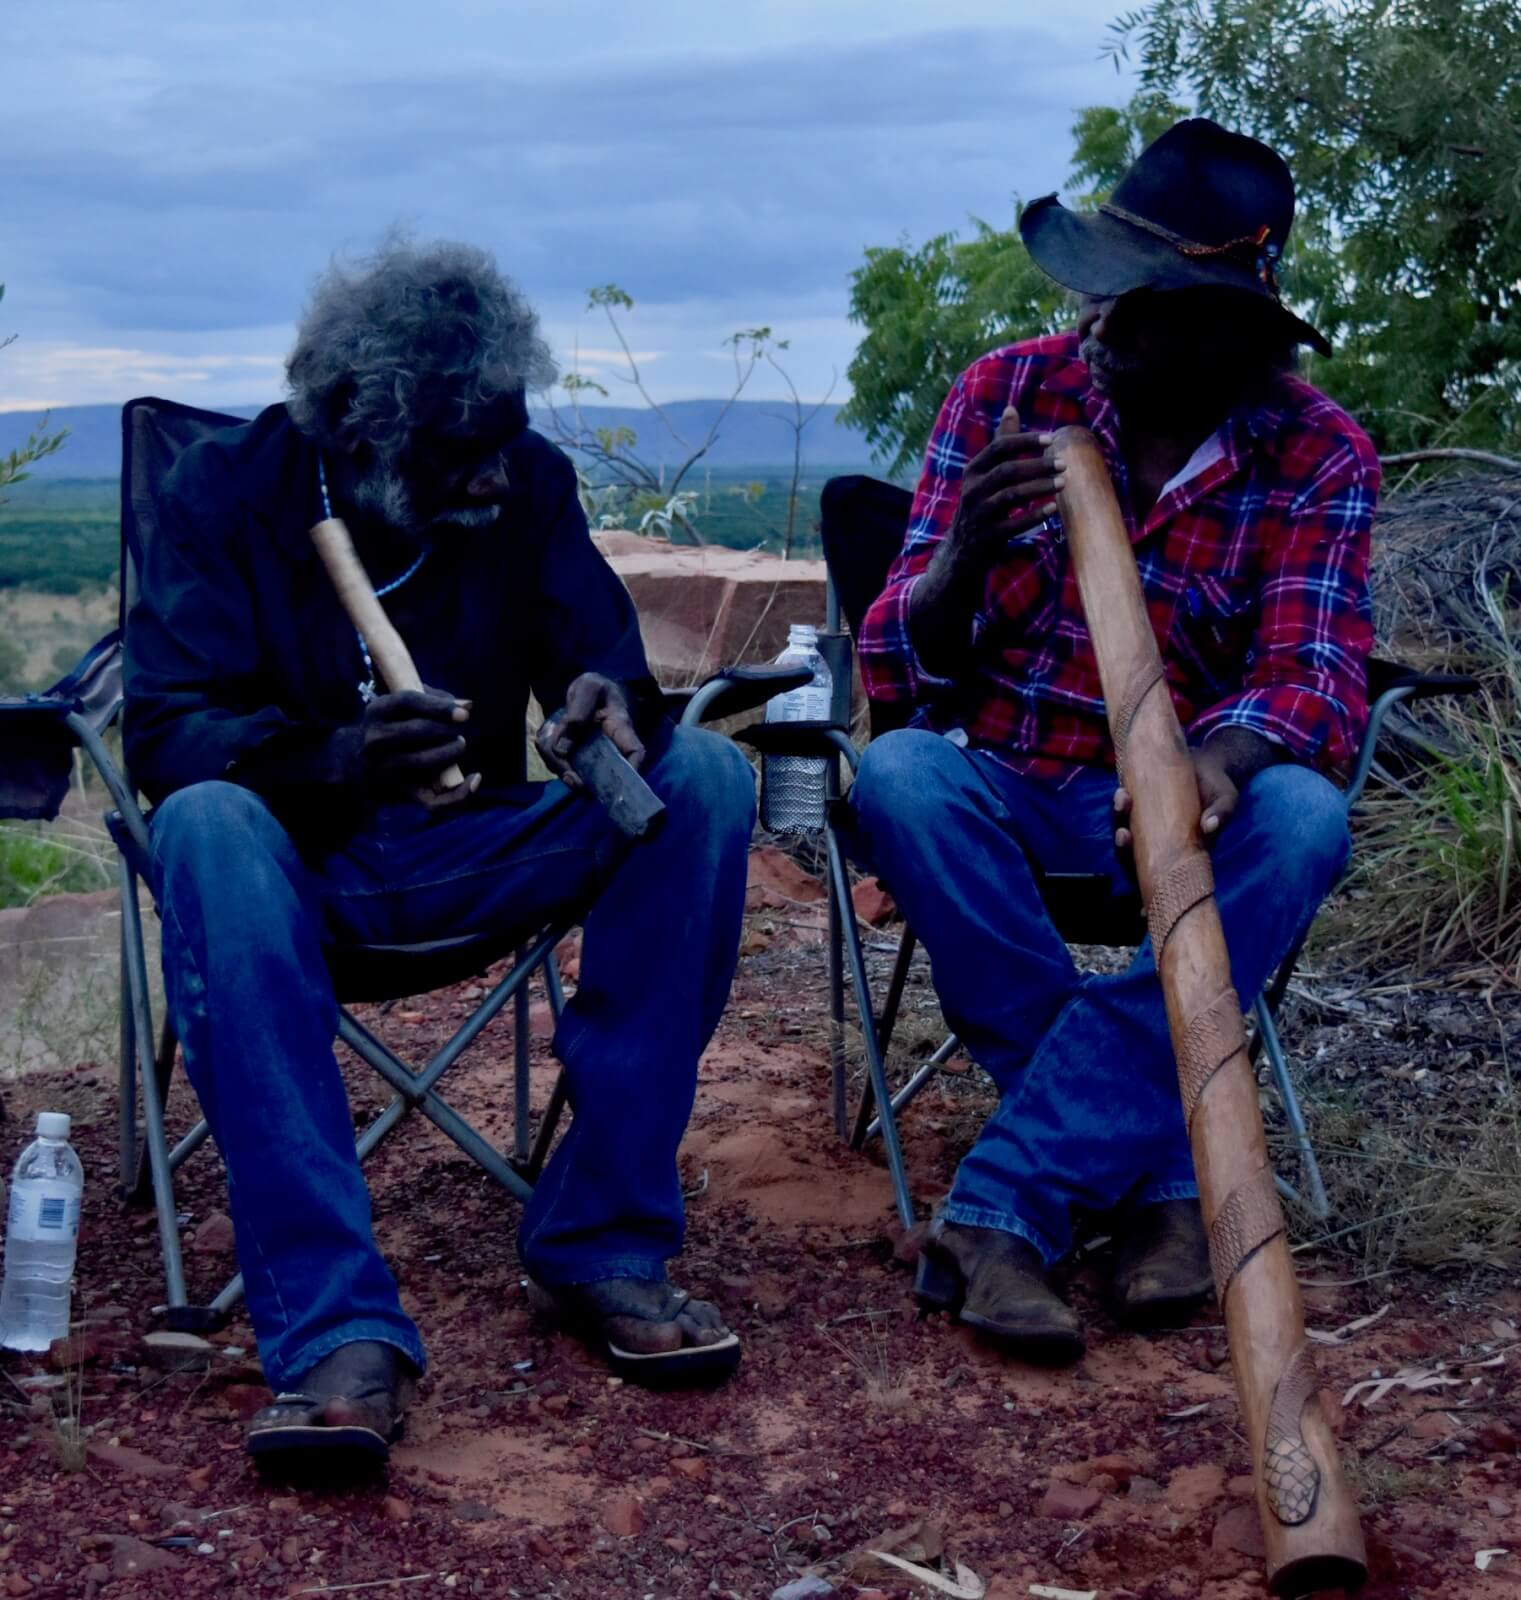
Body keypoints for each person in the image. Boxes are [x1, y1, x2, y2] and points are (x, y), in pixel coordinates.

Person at [123, 237, 757, 1469]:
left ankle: (604, 1243)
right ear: (356, 429)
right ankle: (334, 1326)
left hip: (480, 850)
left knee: (707, 778)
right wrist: (340, 756)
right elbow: (169, 731)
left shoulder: (525, 480)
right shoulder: (219, 492)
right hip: (296, 873)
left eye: (504, 436)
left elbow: (608, 662)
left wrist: (608, 704)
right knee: (204, 818)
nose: (491, 472)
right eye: (458, 448)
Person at [850, 120, 1377, 1362]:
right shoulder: (1006, 394)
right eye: (1105, 298)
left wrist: (1218, 762)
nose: (1101, 326)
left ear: (1228, 333)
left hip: (1188, 807)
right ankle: (1159, 1182)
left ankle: (1007, 1205)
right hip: (1012, 785)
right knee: (901, 777)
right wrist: (959, 564)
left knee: (1305, 815)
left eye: (1141, 308)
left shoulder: (1316, 453)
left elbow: (1318, 678)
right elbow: (893, 657)